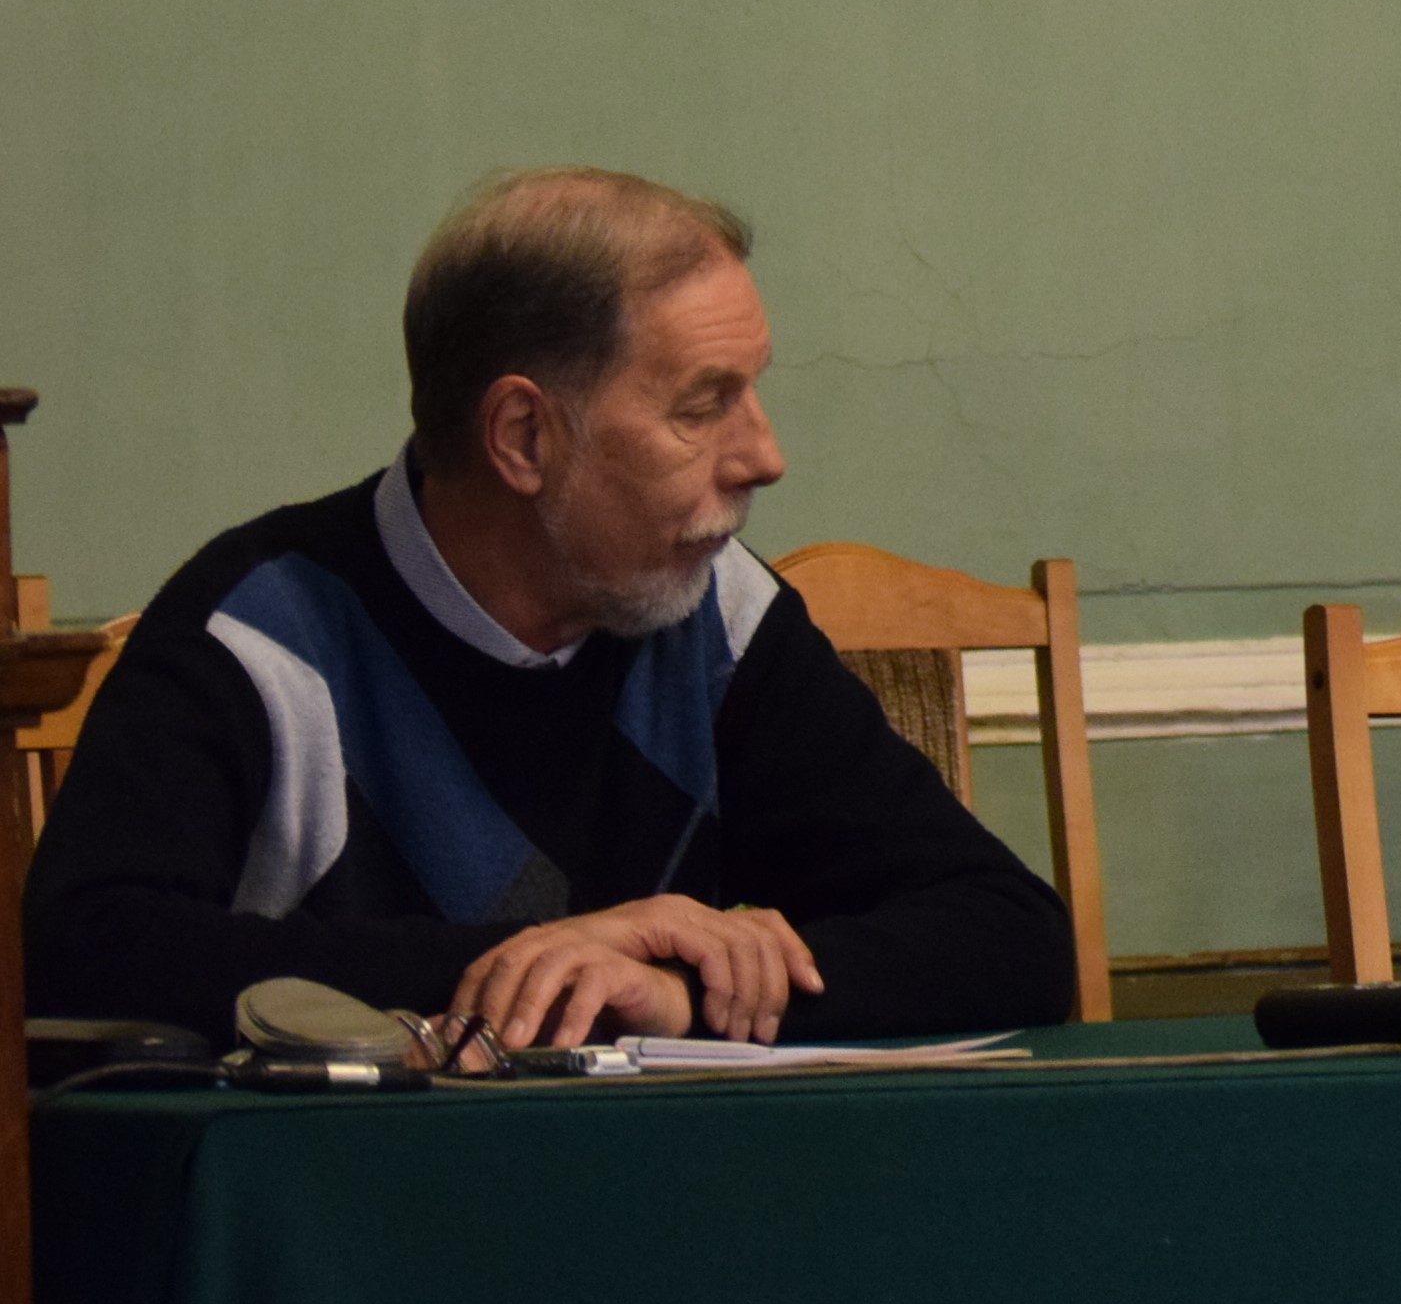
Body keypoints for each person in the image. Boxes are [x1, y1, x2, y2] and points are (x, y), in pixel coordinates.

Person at [25, 170, 1075, 1049]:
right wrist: (540, 963)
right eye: (703, 405)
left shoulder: (715, 614)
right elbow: (78, 951)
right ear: (524, 436)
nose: (764, 455)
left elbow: (1012, 938)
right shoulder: (263, 629)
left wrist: (675, 993)